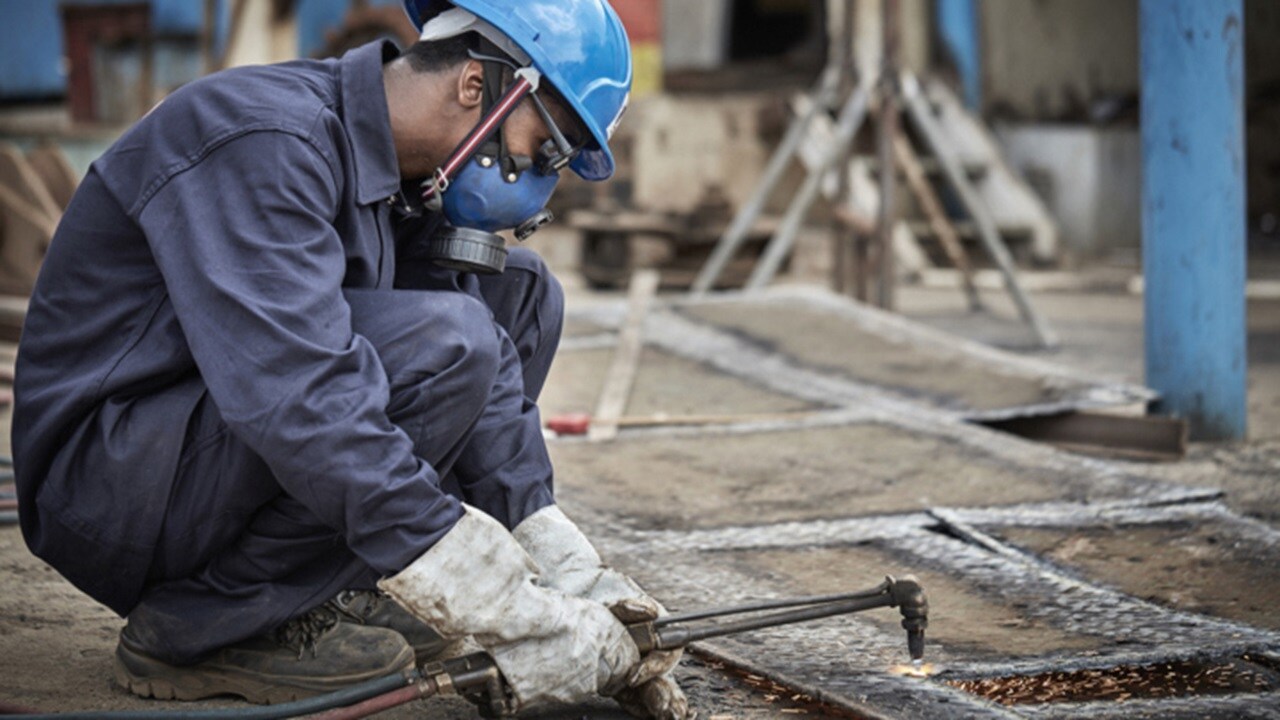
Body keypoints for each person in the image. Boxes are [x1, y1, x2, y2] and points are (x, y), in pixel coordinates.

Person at [11, 0, 689, 717]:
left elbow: (488, 370)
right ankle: (208, 619)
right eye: (546, 147)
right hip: (110, 484)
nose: (540, 179)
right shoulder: (263, 138)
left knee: (518, 295)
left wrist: (562, 568)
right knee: (448, 344)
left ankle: (326, 586)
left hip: (195, 447)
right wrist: (492, 598)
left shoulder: (406, 175)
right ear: (477, 86)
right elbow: (300, 395)